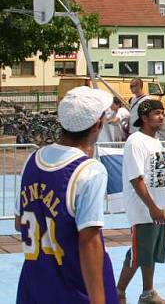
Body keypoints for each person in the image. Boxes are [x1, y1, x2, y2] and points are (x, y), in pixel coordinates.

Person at [15, 86, 118, 303]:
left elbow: (18, 222)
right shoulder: (89, 170)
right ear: (97, 125)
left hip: (35, 282)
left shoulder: (32, 159)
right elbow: (89, 241)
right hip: (74, 286)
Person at [116, 99, 165, 304]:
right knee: (138, 253)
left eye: (162, 112)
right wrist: (152, 207)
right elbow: (136, 178)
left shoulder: (156, 141)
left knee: (149, 252)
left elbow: (161, 177)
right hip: (142, 207)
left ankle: (148, 293)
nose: (161, 116)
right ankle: (118, 293)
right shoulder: (135, 141)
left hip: (158, 206)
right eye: (156, 113)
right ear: (144, 118)